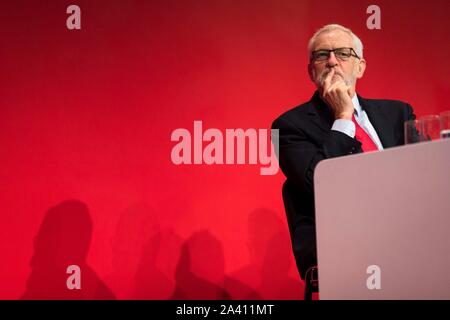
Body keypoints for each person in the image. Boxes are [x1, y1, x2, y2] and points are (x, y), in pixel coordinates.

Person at [272, 24, 416, 280]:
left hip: (409, 229)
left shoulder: (399, 114)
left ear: (360, 66)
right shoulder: (287, 127)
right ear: (310, 71)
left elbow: (425, 174)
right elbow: (322, 184)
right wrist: (343, 116)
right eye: (321, 55)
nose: (332, 61)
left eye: (343, 53)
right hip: (342, 240)